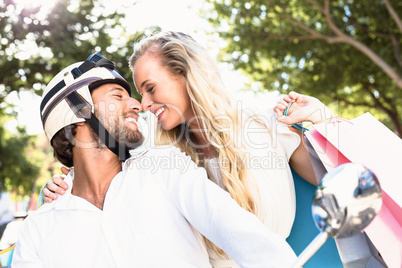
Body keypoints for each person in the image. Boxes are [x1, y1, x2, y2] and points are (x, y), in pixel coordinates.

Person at [43, 32, 336, 267]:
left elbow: (338, 178)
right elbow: (96, 154)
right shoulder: (150, 143)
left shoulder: (268, 124)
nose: (143, 104)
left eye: (150, 88)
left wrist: (324, 119)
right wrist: (61, 187)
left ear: (185, 74)